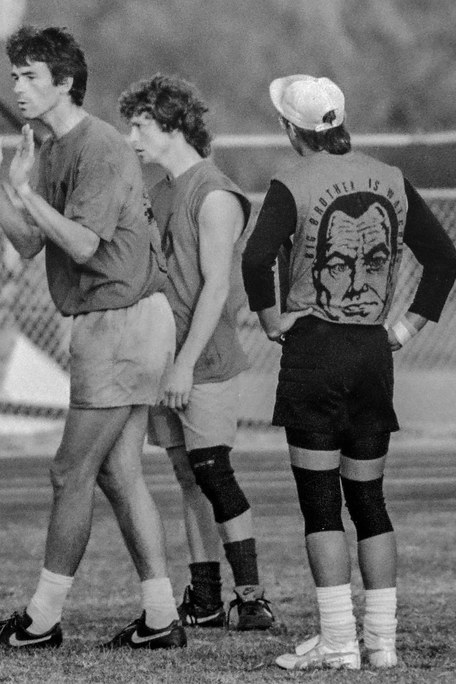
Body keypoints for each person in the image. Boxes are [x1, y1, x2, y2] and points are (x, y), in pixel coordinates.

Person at [0, 27, 185, 651]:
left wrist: (25, 191)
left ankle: (40, 620)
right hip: (114, 321)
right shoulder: (51, 147)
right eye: (15, 77)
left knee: (69, 472)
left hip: (123, 321)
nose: (18, 88)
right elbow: (31, 242)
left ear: (64, 83)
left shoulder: (102, 146)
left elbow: (84, 244)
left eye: (31, 76)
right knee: (119, 474)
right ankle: (162, 617)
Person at [242, 75, 456, 670]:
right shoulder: (390, 177)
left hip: (314, 351)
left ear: (292, 129)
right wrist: (405, 328)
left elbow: (257, 257)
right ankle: (381, 644)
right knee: (370, 501)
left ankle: (339, 642)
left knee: (320, 505)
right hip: (371, 354)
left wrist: (269, 318)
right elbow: (444, 257)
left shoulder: (292, 180)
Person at [118, 74, 275, 631]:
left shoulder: (213, 192)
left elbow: (216, 287)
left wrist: (184, 363)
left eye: (140, 125)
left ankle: (252, 598)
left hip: (202, 361)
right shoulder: (157, 192)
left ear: (171, 124)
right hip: (164, 358)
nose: (131, 136)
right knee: (188, 477)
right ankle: (206, 598)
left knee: (214, 470)